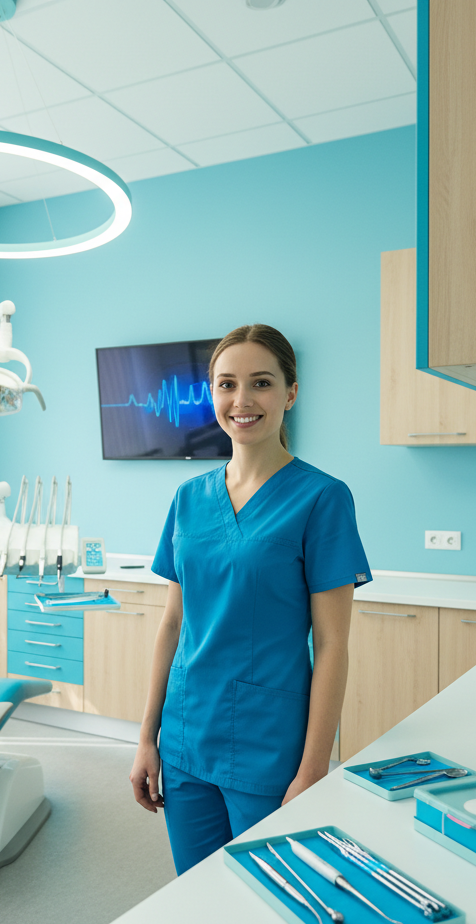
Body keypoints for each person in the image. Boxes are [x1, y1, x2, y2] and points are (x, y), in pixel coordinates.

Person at [129, 323, 371, 875]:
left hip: (270, 745)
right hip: (187, 734)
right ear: (212, 393)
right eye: (226, 384)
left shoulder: (322, 499)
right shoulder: (189, 498)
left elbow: (332, 645)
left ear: (290, 392)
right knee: (196, 889)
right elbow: (173, 625)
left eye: (261, 383)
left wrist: (312, 769)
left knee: (276, 895)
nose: (242, 400)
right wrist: (147, 738)